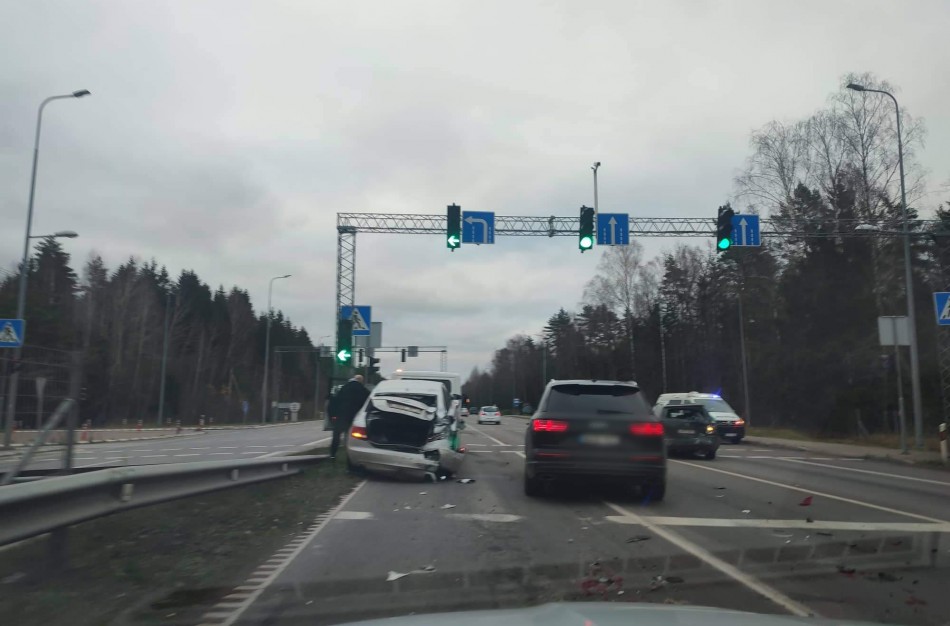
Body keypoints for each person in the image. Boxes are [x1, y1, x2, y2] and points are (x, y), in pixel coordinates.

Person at [329, 374, 370, 460]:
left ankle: (332, 454)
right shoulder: (363, 390)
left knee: (336, 436)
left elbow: (335, 401)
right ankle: (349, 457)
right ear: (361, 381)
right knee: (350, 438)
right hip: (354, 417)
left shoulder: (344, 387)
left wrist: (333, 415)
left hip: (341, 415)